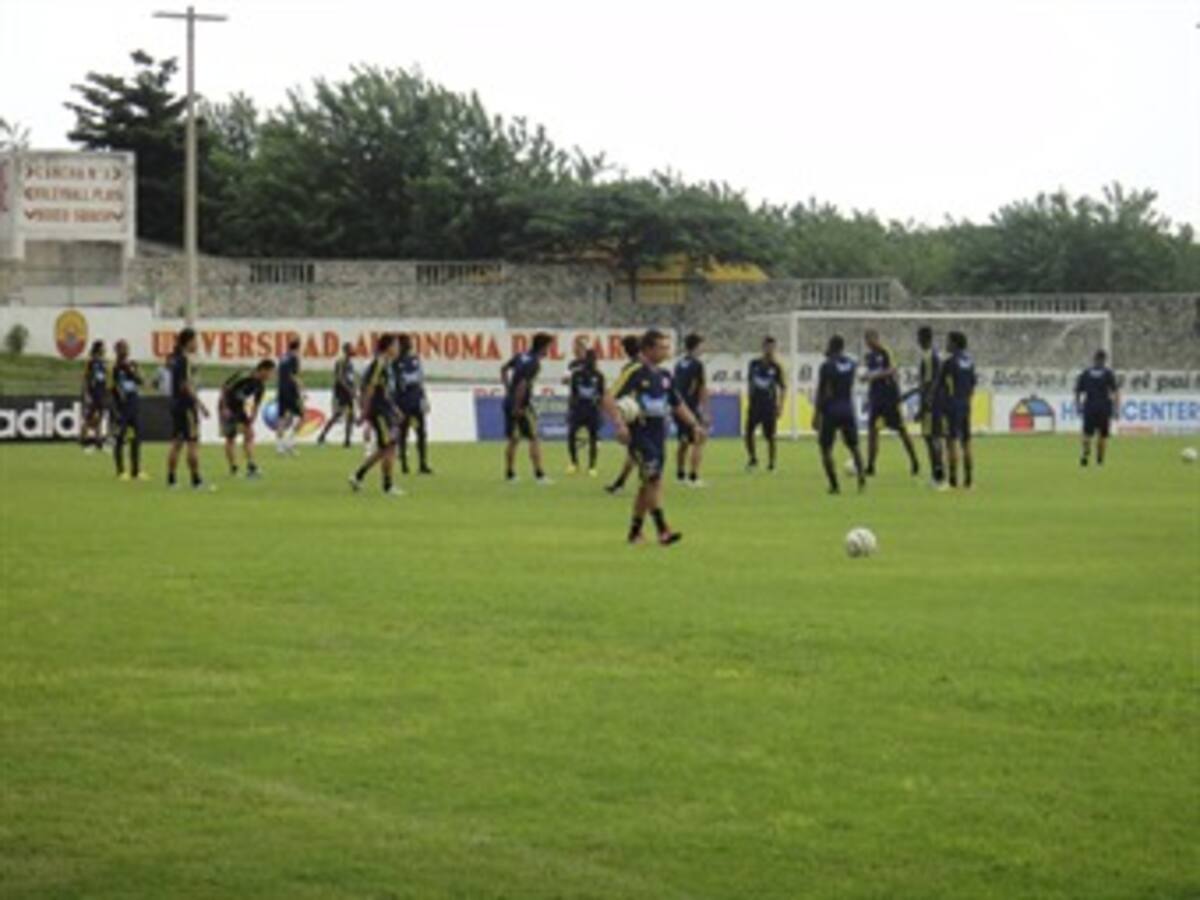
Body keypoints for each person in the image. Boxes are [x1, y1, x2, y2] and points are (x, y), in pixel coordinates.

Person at [605, 329, 703, 545]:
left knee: (646, 484)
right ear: (648, 349)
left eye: (667, 347)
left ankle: (634, 533)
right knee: (653, 479)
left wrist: (694, 424)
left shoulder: (665, 375)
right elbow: (609, 397)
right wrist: (620, 424)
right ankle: (663, 529)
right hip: (639, 436)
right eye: (662, 347)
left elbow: (677, 404)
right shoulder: (634, 370)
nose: (666, 351)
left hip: (659, 437)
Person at [349, 334, 403, 495]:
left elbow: (383, 390)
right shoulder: (379, 363)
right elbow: (369, 388)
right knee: (389, 446)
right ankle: (387, 486)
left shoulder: (386, 364)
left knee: (386, 447)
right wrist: (365, 412)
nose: (398, 349)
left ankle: (358, 476)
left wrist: (394, 408)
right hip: (378, 411)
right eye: (396, 345)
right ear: (388, 347)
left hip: (384, 409)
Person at [861, 329, 919, 477]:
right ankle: (871, 466)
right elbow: (871, 376)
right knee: (873, 432)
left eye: (870, 339)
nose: (868, 343)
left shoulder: (886, 352)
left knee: (901, 430)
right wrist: (867, 379)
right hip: (876, 399)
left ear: (876, 338)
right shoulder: (869, 357)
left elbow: (892, 370)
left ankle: (914, 461)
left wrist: (873, 376)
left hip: (890, 398)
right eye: (866, 340)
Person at [813, 335, 866, 494]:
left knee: (826, 449)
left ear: (831, 346)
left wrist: (817, 413)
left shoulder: (826, 366)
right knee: (854, 446)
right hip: (847, 407)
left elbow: (824, 391)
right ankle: (862, 479)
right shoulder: (851, 364)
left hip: (831, 409)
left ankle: (834, 485)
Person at [500, 332, 554, 484]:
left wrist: (507, 388)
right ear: (543, 347)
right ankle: (539, 475)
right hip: (521, 404)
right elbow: (523, 385)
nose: (549, 350)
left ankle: (510, 474)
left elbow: (503, 369)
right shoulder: (534, 363)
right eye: (549, 347)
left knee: (513, 439)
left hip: (508, 400)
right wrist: (518, 406)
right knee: (534, 438)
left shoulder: (521, 356)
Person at [166, 327, 212, 490]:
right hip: (186, 406)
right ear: (188, 341)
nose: (196, 344)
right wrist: (201, 405)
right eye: (195, 340)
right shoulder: (184, 360)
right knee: (192, 443)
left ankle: (171, 480)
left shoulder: (174, 358)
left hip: (175, 404)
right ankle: (196, 481)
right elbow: (185, 385)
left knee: (176, 443)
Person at [220, 359, 274, 479]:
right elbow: (225, 387)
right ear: (262, 370)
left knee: (249, 434)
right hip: (227, 405)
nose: (271, 376)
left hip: (239, 407)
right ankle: (234, 469)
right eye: (270, 372)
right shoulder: (244, 375)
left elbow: (256, 403)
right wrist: (224, 408)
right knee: (231, 438)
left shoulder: (260, 386)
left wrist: (253, 417)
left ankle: (251, 466)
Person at [605, 335, 646, 494]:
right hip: (640, 413)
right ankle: (627, 483)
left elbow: (614, 393)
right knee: (636, 450)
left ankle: (621, 483)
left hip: (636, 412)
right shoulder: (636, 368)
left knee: (636, 451)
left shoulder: (631, 368)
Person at [940, 331, 977, 489]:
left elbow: (939, 384)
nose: (946, 344)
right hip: (966, 403)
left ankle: (953, 480)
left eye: (948, 341)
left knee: (951, 441)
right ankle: (968, 480)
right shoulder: (969, 361)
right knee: (966, 441)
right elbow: (973, 383)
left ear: (954, 344)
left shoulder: (949, 362)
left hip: (953, 404)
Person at [673, 333, 709, 486]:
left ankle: (680, 475)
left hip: (678, 407)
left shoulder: (679, 364)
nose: (704, 348)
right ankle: (694, 477)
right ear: (696, 346)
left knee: (683, 442)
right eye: (702, 345)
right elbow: (701, 387)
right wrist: (704, 410)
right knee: (699, 440)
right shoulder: (697, 364)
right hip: (691, 408)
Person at [745, 336, 786, 472]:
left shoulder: (776, 367)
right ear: (763, 347)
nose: (770, 349)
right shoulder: (754, 364)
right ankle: (752, 460)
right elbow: (750, 383)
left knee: (770, 436)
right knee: (749, 432)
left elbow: (783, 387)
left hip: (769, 405)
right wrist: (750, 398)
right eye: (767, 346)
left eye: (772, 347)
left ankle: (772, 463)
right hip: (755, 405)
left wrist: (780, 406)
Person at [394, 334, 433, 475]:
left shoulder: (415, 359)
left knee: (421, 432)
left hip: (416, 402)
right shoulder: (396, 362)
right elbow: (400, 382)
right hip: (403, 403)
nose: (410, 345)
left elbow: (420, 379)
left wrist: (424, 398)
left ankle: (423, 464)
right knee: (403, 433)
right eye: (407, 343)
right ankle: (404, 464)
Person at [1075, 349, 1120, 467]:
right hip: (1104, 407)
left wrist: (1077, 405)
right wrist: (1116, 408)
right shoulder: (1108, 373)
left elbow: (1077, 391)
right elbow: (1115, 392)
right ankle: (1099, 461)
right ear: (1104, 360)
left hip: (1089, 406)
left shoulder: (1086, 373)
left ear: (1094, 359)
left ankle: (1085, 453)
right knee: (1102, 435)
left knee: (1086, 434)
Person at [916, 326, 947, 489]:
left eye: (918, 337)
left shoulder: (929, 357)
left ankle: (938, 476)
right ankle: (938, 474)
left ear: (923, 338)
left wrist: (924, 405)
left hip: (931, 403)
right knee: (934, 437)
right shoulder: (934, 355)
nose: (917, 341)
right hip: (937, 402)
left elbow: (930, 383)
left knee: (931, 438)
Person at [110, 340, 147, 481]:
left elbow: (141, 380)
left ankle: (135, 471)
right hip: (121, 407)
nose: (125, 351)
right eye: (122, 349)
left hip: (134, 405)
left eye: (126, 348)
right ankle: (120, 471)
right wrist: (115, 407)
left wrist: (135, 371)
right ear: (117, 351)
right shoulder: (114, 368)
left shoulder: (132, 365)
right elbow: (112, 389)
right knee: (120, 438)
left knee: (136, 439)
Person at [566, 348, 605, 476]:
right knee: (571, 435)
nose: (591, 361)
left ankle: (592, 466)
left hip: (592, 410)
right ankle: (574, 463)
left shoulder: (599, 376)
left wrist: (600, 410)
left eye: (593, 359)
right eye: (589, 359)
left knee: (593, 438)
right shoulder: (576, 374)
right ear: (585, 360)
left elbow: (601, 394)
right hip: (578, 410)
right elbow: (572, 393)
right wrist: (570, 409)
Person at [317, 343, 356, 447]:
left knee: (350, 415)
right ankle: (322, 436)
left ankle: (347, 440)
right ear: (346, 350)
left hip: (349, 393)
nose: (353, 351)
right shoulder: (341, 362)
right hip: (341, 392)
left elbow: (351, 378)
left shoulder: (350, 363)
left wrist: (354, 388)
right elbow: (339, 378)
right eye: (351, 349)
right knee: (337, 415)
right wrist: (349, 389)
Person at [275, 337, 305, 455]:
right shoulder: (294, 358)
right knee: (302, 416)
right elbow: (294, 375)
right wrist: (301, 387)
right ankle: (290, 443)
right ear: (298, 347)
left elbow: (280, 374)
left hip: (281, 390)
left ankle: (279, 447)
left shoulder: (283, 357)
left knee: (282, 418)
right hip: (291, 391)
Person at [80, 340, 108, 452]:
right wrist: (86, 393)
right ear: (98, 349)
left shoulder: (103, 363)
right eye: (103, 347)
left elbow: (104, 379)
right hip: (92, 393)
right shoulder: (91, 362)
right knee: (89, 418)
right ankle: (83, 440)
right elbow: (86, 378)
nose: (105, 349)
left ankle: (98, 442)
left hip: (101, 394)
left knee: (99, 418)